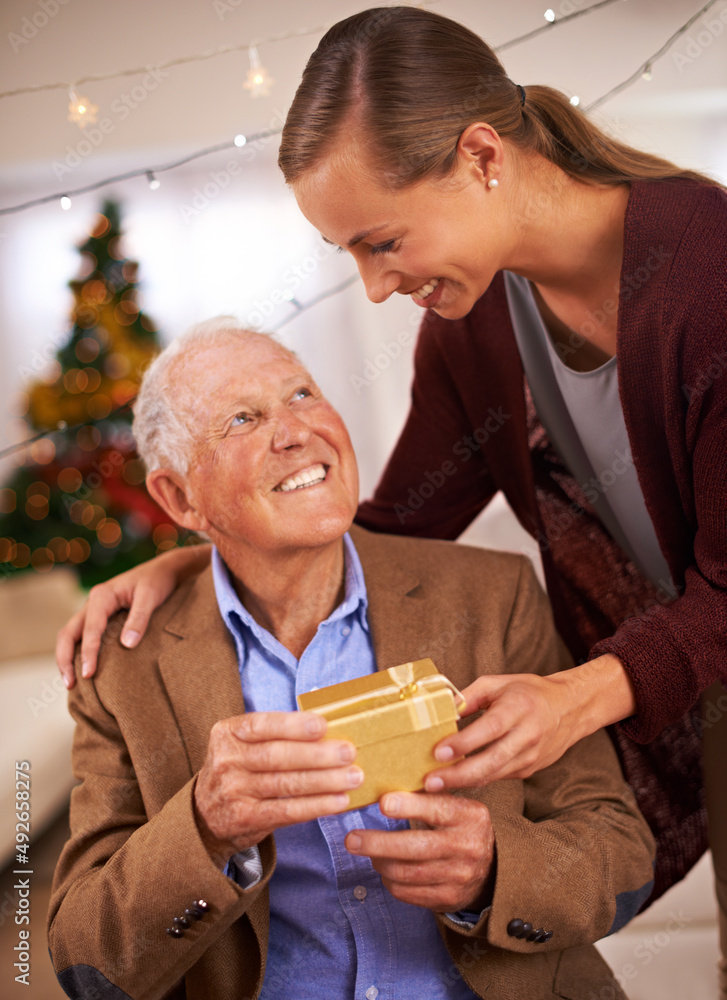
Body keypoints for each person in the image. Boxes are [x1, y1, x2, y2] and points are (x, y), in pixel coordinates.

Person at [55, 5, 727, 990]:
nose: (374, 287)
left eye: (382, 242)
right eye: (351, 257)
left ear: (482, 157)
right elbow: (384, 520)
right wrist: (198, 547)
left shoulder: (709, 275)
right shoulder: (471, 322)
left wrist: (575, 696)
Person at [48, 320, 655, 1000]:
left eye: (301, 393)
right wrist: (204, 826)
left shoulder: (493, 594)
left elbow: (622, 853)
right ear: (179, 498)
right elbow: (86, 964)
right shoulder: (121, 667)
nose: (294, 431)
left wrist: (492, 870)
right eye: (242, 418)